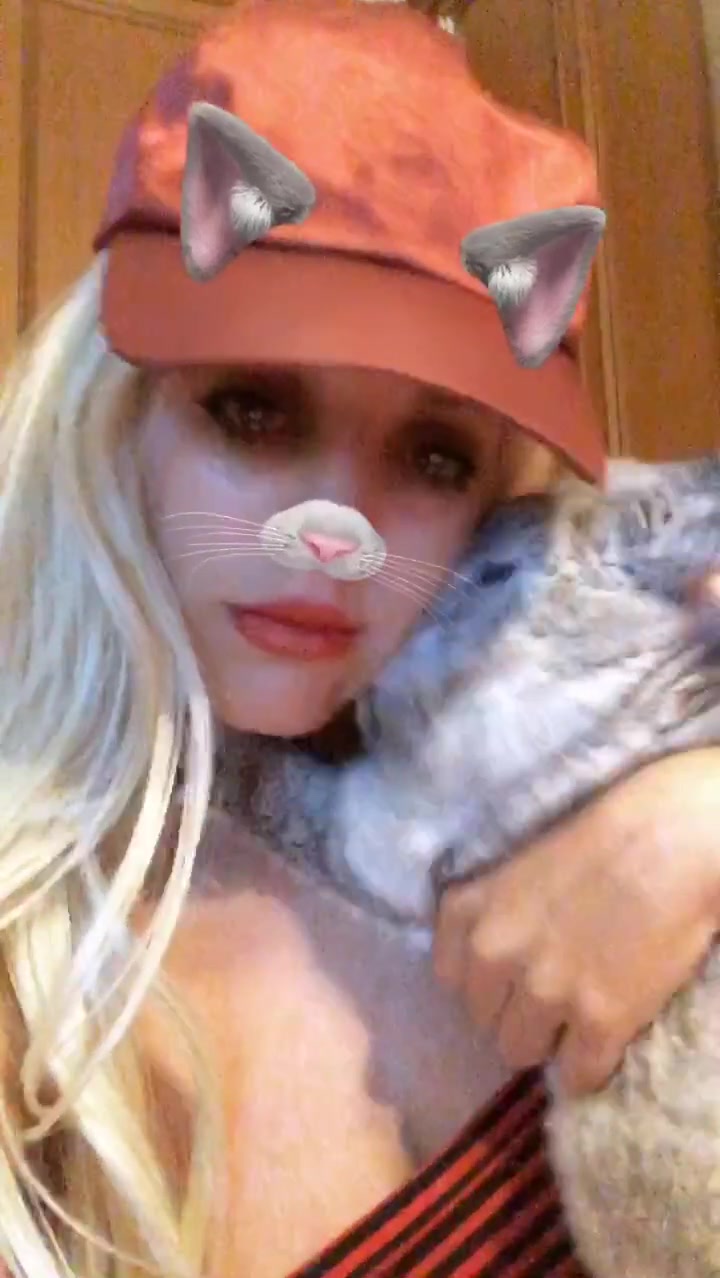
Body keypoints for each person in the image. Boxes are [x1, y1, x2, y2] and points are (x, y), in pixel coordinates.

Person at [1, 2, 720, 1276]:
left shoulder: (604, 761)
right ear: (116, 420)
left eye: (435, 455)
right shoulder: (29, 943)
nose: (337, 531)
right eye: (253, 410)